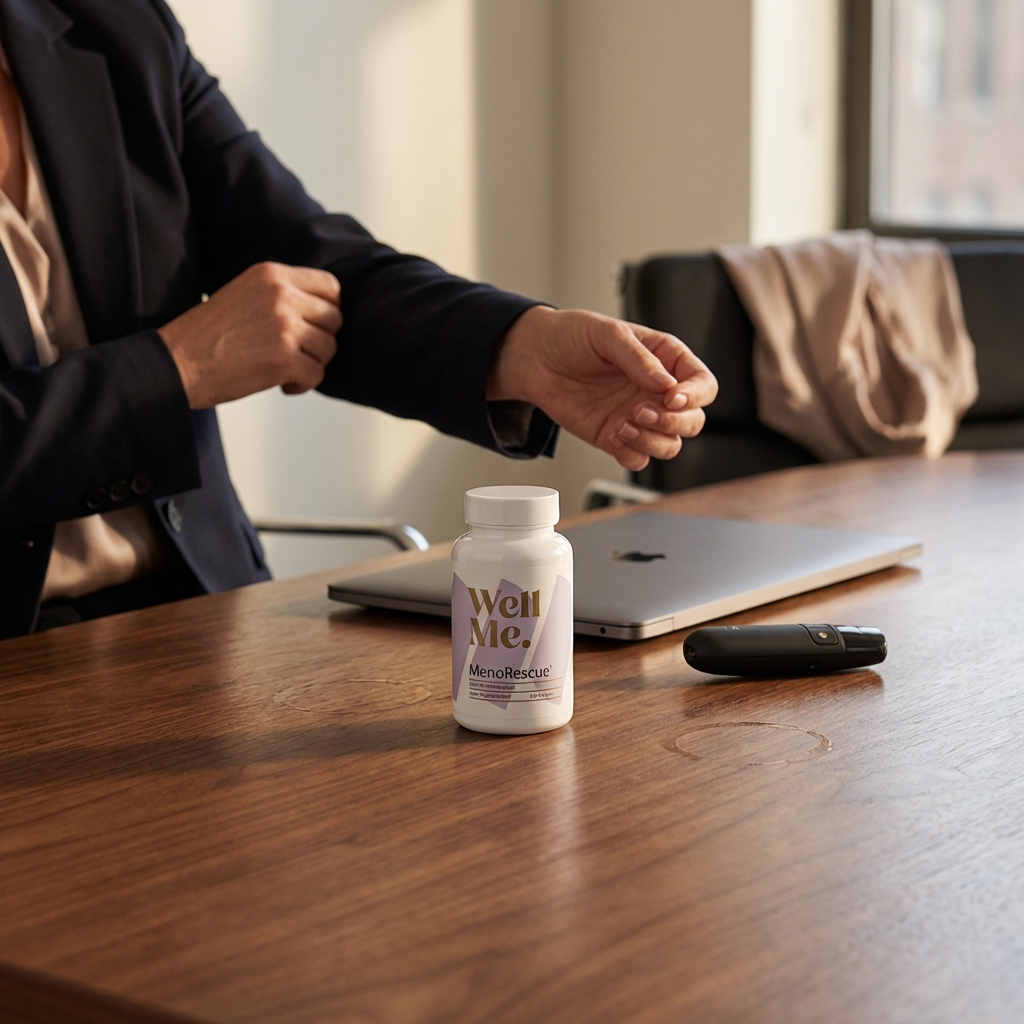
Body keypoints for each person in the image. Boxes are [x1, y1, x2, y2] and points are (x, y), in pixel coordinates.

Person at [0, 0, 716, 639]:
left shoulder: (115, 23)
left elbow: (318, 267)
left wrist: (522, 347)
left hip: (205, 614)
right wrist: (176, 370)